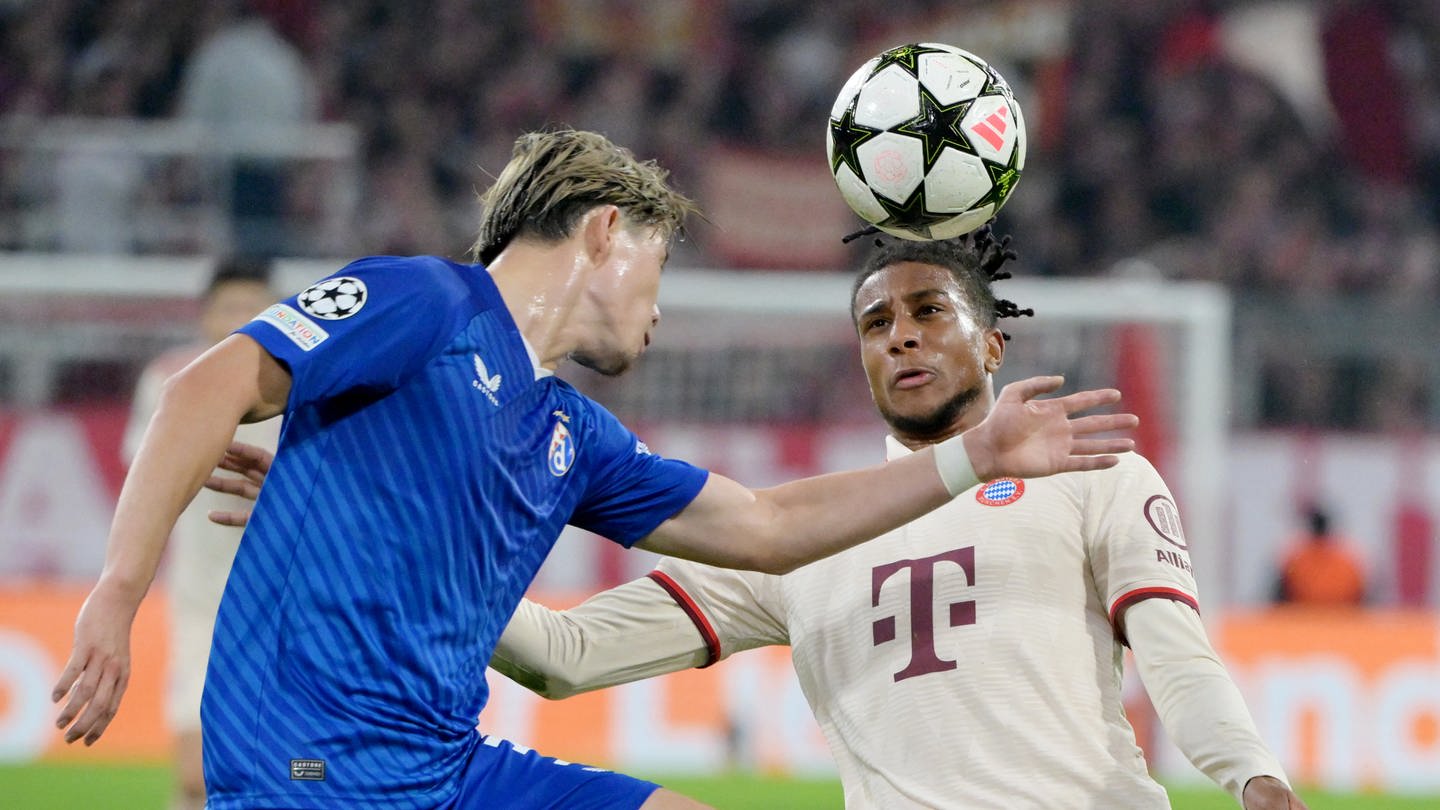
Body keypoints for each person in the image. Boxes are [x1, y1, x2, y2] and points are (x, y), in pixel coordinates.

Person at [52, 129, 1135, 810]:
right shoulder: (423, 302)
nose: (660, 314)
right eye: (658, 274)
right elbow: (209, 388)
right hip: (316, 771)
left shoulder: (570, 434)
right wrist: (119, 591)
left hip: (447, 771)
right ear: (607, 232)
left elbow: (761, 528)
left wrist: (971, 456)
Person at [121, 257, 282, 810]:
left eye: (253, 306)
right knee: (196, 774)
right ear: (206, 316)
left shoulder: (306, 388)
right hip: (200, 602)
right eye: (229, 308)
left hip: (282, 602)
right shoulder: (171, 381)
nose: (241, 318)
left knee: (288, 769)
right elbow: (147, 487)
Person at [1274, 504, 1366, 606]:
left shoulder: (1295, 558)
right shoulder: (1349, 560)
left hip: (1309, 616)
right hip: (1331, 616)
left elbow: (1280, 594)